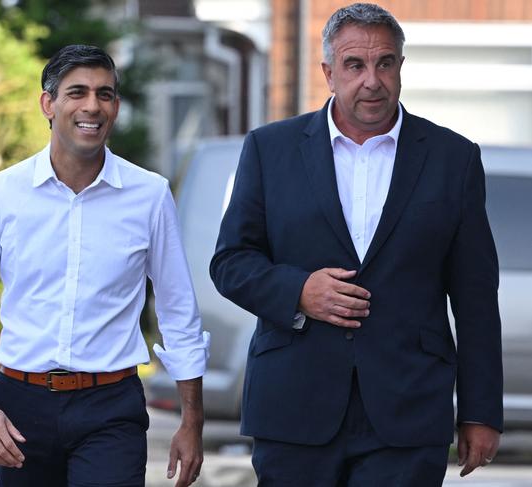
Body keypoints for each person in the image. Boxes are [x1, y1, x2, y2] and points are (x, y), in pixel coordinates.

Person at [210, 3, 502, 486]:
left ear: (401, 68)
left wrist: (481, 411)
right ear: (328, 72)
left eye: (385, 63)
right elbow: (230, 262)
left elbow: (475, 298)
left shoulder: (454, 159)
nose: (372, 80)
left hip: (407, 410)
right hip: (295, 405)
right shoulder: (270, 149)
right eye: (355, 65)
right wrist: (299, 290)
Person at [0, 44, 209, 487]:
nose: (92, 106)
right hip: (19, 408)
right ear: (49, 103)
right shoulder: (2, 194)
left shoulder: (150, 195)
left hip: (111, 409)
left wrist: (192, 422)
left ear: (116, 106)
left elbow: (179, 314)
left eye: (105, 94)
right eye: (77, 92)